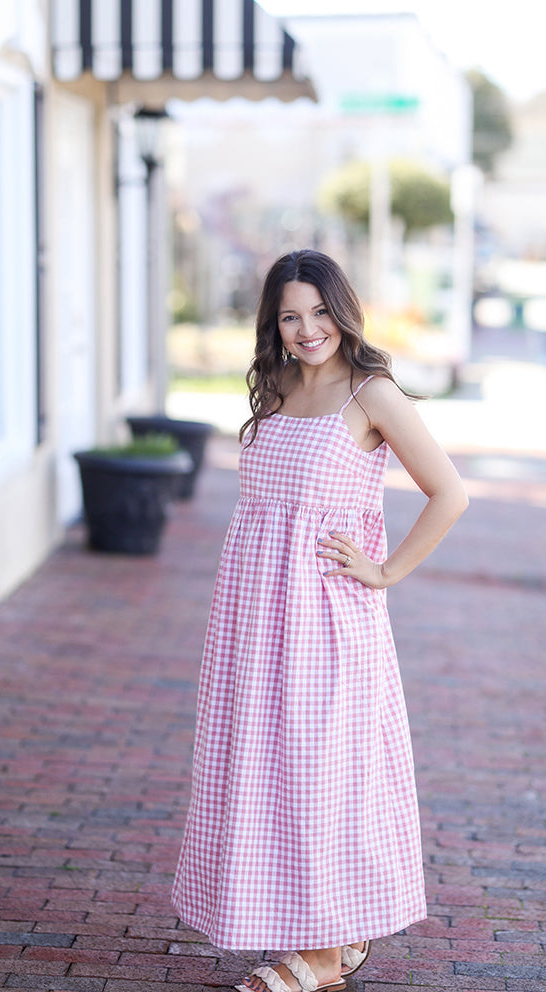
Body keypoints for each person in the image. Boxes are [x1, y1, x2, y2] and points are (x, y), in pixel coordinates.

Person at [171, 249, 469, 992]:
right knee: (267, 772)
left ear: (343, 309)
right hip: (253, 616)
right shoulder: (276, 386)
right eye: (288, 316)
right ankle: (339, 932)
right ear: (273, 325)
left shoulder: (371, 395)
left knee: (321, 775)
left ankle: (323, 958)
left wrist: (387, 571)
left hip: (325, 619)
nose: (307, 330)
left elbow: (448, 493)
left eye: (318, 311)